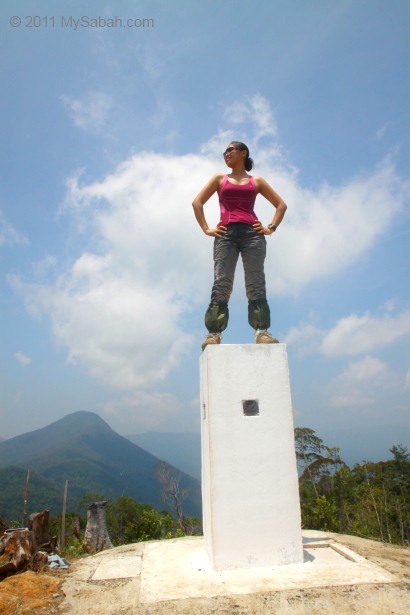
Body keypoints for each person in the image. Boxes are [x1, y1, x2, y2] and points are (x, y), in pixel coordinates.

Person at [192, 141, 287, 350]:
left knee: (255, 282)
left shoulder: (257, 181)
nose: (226, 154)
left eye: (230, 150)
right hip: (225, 233)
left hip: (252, 234)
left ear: (243, 153)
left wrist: (270, 227)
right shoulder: (219, 179)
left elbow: (281, 205)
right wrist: (207, 229)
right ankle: (214, 333)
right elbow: (197, 202)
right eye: (224, 151)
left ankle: (262, 332)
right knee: (222, 281)